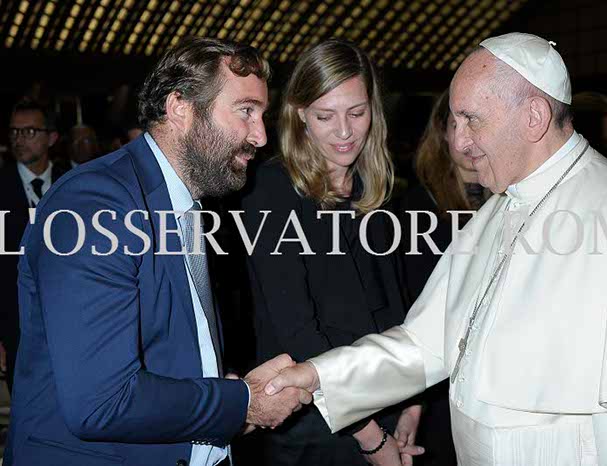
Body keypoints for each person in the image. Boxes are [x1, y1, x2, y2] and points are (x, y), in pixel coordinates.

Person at [264, 32, 607, 466]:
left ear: (533, 117)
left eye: (473, 119)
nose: (458, 144)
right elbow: (427, 343)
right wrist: (318, 374)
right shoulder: (497, 210)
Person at [5, 37, 312, 466]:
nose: (260, 135)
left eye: (262, 116)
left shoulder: (181, 202)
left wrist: (224, 391)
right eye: (245, 111)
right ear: (180, 108)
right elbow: (102, 402)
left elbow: (165, 349)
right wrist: (241, 402)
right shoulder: (95, 204)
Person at [241, 39, 422, 466]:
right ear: (299, 114)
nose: (344, 132)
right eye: (325, 116)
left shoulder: (371, 188)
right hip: (317, 424)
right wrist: (371, 437)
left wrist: (413, 400)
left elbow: (396, 307)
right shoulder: (270, 191)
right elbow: (297, 332)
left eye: (356, 113)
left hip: (384, 400)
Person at [397, 90, 491, 466]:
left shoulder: (515, 199)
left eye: (479, 125)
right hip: (439, 380)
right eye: (457, 125)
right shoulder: (416, 209)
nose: (469, 140)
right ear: (443, 134)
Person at [0, 100, 68, 394]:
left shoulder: (76, 183)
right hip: (15, 327)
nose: (19, 139)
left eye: (29, 131)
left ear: (51, 137)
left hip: (71, 322)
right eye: (14, 132)